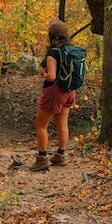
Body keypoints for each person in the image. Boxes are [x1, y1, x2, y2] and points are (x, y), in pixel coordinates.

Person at [30, 18, 76, 171]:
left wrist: (43, 74)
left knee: (41, 125)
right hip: (69, 92)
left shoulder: (53, 52)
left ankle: (42, 158)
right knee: (62, 123)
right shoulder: (71, 50)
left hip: (54, 92)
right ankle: (60, 155)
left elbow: (52, 76)